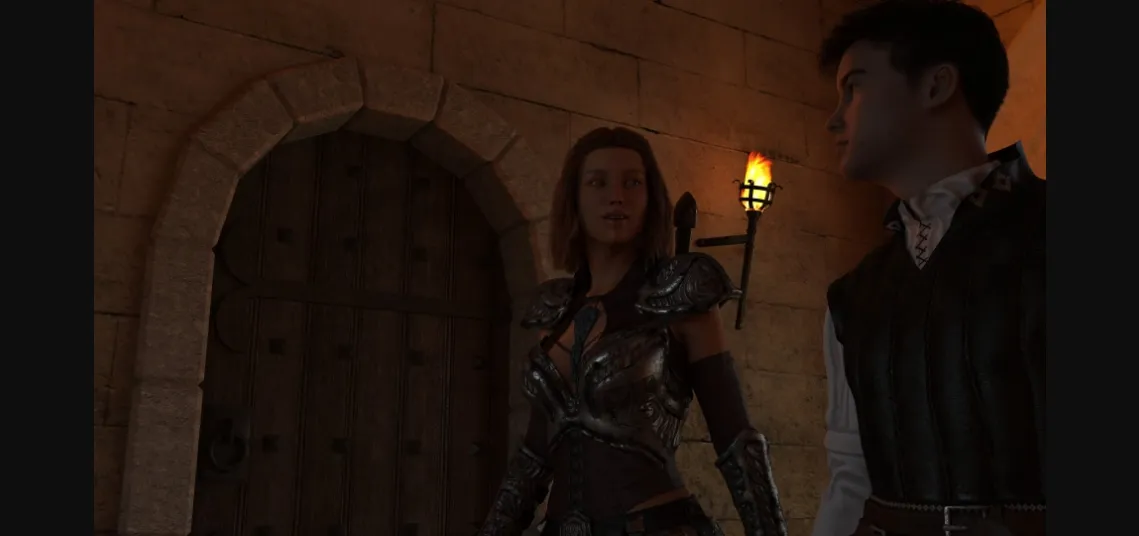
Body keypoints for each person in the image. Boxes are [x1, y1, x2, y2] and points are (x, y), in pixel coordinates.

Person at [477, 127, 788, 536]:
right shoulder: (553, 310)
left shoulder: (680, 295)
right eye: (598, 182)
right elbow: (534, 455)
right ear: (574, 198)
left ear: (651, 197)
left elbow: (736, 437)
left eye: (632, 182)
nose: (616, 196)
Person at [810, 2, 1045, 536]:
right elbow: (850, 481)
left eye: (854, 89)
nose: (833, 118)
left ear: (936, 86)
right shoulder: (853, 298)